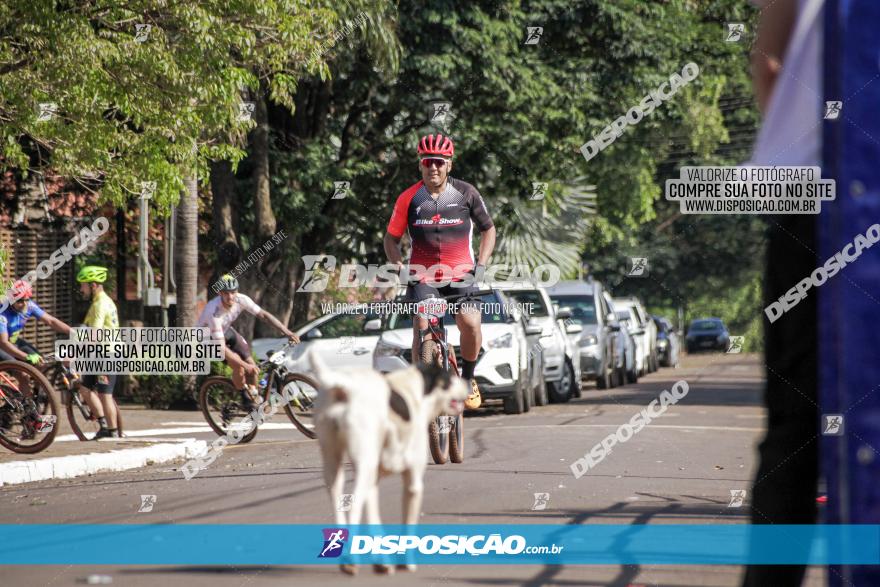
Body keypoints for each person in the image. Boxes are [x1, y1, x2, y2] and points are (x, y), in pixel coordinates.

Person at [383, 133, 497, 409]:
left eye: (438, 162)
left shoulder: (466, 193)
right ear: (420, 165)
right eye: (427, 162)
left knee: (470, 324)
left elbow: (488, 229)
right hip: (423, 276)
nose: (433, 167)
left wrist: (480, 266)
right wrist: (399, 268)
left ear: (449, 165)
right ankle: (422, 382)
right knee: (422, 327)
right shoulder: (409, 198)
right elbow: (390, 238)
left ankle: (468, 378)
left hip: (462, 274)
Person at [196, 274, 300, 411]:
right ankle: (245, 399)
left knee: (252, 366)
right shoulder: (213, 312)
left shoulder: (241, 299)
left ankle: (253, 396)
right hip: (206, 340)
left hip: (226, 331)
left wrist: (287, 332)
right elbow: (220, 348)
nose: (230, 297)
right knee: (240, 367)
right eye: (226, 293)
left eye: (233, 292)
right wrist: (244, 365)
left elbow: (263, 315)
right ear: (220, 293)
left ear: (237, 291)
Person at [76, 265, 122, 440]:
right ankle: (103, 425)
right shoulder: (103, 301)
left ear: (93, 285)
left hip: (107, 355)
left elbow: (94, 335)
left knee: (105, 394)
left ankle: (112, 432)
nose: (81, 289)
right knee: (85, 388)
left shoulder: (100, 305)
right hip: (99, 354)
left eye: (83, 285)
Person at [0, 280, 72, 364]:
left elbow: (51, 321)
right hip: (1, 345)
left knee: (41, 363)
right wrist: (26, 357)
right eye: (19, 301)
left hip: (13, 341)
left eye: (27, 300)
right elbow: (3, 342)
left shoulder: (29, 306)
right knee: (20, 372)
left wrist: (73, 332)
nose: (24, 304)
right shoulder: (2, 313)